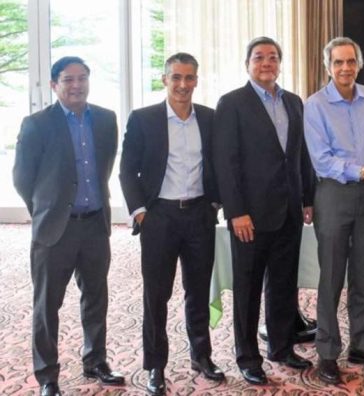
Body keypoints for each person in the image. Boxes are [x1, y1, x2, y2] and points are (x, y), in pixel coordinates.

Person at [13, 56, 124, 396]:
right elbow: (22, 177)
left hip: (94, 225)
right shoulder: (36, 124)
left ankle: (96, 361)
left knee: (96, 298)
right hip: (54, 230)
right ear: (54, 85)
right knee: (47, 305)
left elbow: (105, 166)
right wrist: (45, 209)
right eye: (68, 79)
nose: (76, 85)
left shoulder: (106, 120)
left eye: (82, 78)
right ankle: (48, 376)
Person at [212, 37, 316, 385]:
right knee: (248, 286)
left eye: (273, 57)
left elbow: (300, 153)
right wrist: (236, 212)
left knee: (284, 283)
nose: (266, 62)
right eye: (259, 57)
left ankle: (282, 347)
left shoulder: (293, 102)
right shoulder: (232, 103)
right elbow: (225, 163)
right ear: (247, 64)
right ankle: (247, 356)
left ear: (280, 63)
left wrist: (308, 197)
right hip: (250, 217)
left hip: (288, 210)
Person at [119, 53, 224, 395]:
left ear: (196, 80)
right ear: (164, 79)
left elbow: (222, 164)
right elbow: (127, 170)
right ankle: (156, 366)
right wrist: (139, 212)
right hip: (159, 218)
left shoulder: (209, 118)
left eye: (189, 78)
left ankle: (201, 355)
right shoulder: (144, 118)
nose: (182, 84)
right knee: (157, 295)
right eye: (176, 77)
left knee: (198, 291)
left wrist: (215, 203)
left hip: (198, 216)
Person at [304, 36, 364, 385]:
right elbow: (322, 160)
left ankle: (361, 342)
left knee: (363, 275)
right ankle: (327, 352)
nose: (345, 68)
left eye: (351, 62)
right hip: (332, 195)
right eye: (338, 62)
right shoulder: (314, 105)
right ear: (328, 67)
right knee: (331, 277)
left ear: (359, 65)